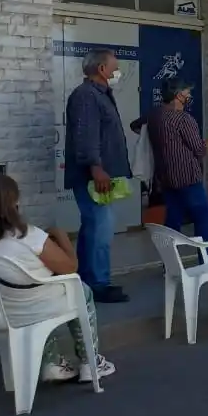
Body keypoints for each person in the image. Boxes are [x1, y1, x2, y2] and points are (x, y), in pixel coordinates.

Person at [0, 173, 116, 383]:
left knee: (31, 292)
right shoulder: (29, 236)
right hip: (36, 308)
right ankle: (90, 361)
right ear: (12, 204)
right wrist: (61, 236)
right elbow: (71, 268)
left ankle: (52, 362)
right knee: (81, 290)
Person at [63, 48, 132, 302]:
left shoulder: (100, 94)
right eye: (115, 67)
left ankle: (85, 280)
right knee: (101, 229)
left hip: (99, 175)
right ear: (102, 70)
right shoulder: (86, 96)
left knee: (93, 228)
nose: (117, 72)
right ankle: (97, 284)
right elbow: (86, 135)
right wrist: (95, 167)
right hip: (93, 177)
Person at [136, 79, 208, 256]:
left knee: (173, 221)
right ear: (178, 95)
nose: (189, 97)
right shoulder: (183, 119)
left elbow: (136, 126)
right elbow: (201, 151)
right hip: (188, 176)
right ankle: (207, 261)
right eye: (187, 93)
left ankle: (170, 264)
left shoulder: (154, 115)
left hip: (165, 177)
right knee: (202, 217)